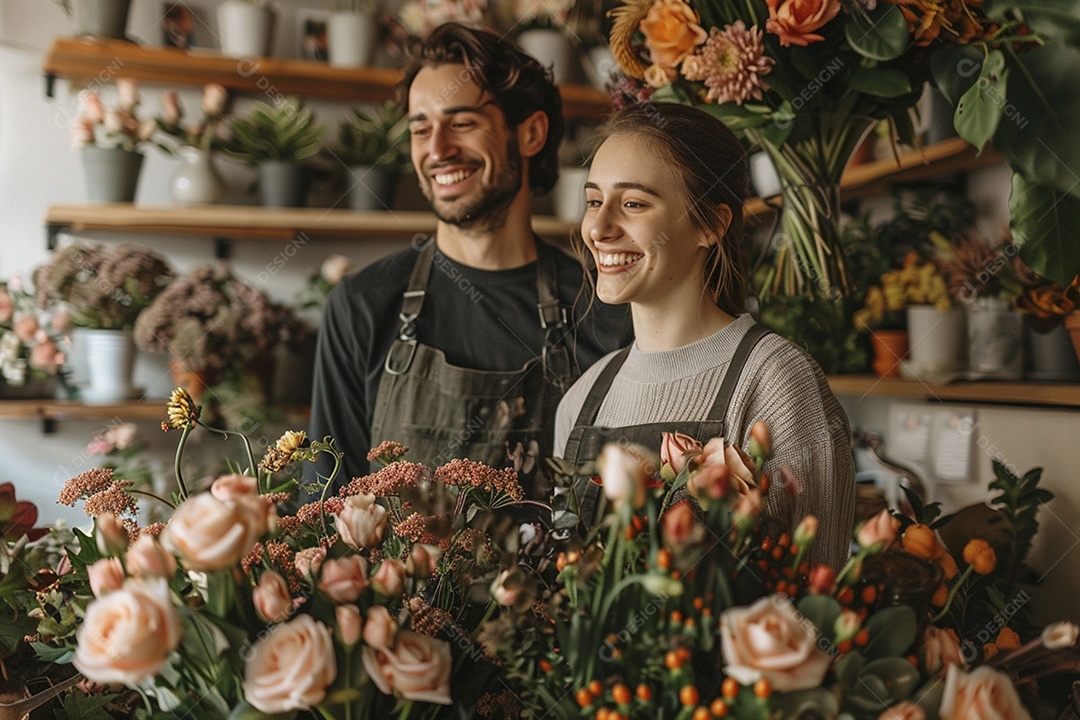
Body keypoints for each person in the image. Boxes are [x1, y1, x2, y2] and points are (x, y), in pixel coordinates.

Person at [307, 23, 631, 495]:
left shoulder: (602, 307)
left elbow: (632, 511)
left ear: (531, 133)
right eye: (421, 128)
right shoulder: (362, 307)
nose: (437, 150)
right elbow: (322, 512)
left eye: (461, 123)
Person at [553, 103, 856, 569]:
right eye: (595, 201)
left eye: (632, 203)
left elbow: (817, 594)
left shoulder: (776, 382)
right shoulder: (581, 399)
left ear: (710, 224)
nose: (599, 228)